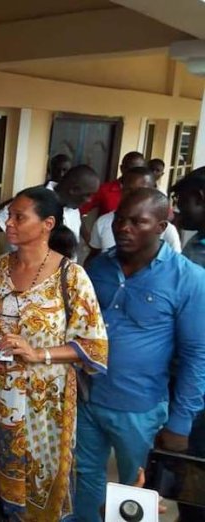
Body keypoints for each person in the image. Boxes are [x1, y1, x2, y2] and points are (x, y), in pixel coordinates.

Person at [0, 186, 108, 520]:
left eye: (19, 217)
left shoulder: (71, 277)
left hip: (42, 403)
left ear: (47, 224)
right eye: (8, 216)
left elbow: (94, 345)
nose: (9, 224)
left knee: (39, 480)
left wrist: (39, 354)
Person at [78, 189, 205, 522]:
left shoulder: (188, 279)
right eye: (121, 219)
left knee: (136, 495)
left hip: (140, 408)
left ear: (162, 226)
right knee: (83, 479)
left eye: (138, 222)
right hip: (85, 398)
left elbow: (196, 354)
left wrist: (181, 421)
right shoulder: (99, 266)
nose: (124, 228)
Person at [169, 167, 205, 522]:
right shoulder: (198, 242)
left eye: (182, 203)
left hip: (198, 392)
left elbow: (200, 348)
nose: (177, 212)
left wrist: (182, 417)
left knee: (195, 482)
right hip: (188, 383)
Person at [0, 165, 100, 260]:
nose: (89, 200)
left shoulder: (73, 208)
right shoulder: (33, 201)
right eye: (88, 195)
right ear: (74, 190)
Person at [85, 166, 181, 264]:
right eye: (129, 190)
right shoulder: (103, 222)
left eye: (141, 191)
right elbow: (93, 257)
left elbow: (176, 265)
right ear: (122, 191)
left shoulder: (166, 230)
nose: (134, 196)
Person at [80, 151, 146, 218]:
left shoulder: (147, 194)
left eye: (139, 170)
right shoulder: (104, 190)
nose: (135, 174)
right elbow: (79, 211)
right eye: (131, 169)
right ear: (122, 168)